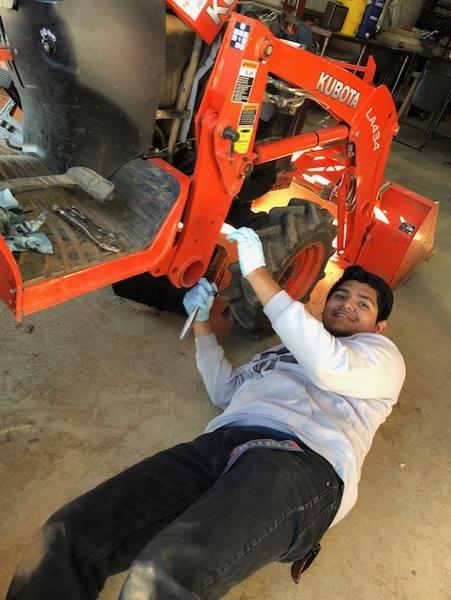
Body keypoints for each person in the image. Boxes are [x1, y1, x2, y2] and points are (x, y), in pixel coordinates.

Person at [7, 227, 405, 600]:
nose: (347, 304)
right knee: (70, 532)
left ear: (379, 325)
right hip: (220, 445)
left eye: (362, 303)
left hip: (303, 464)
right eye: (341, 295)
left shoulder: (381, 357)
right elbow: (224, 391)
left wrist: (257, 272)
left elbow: (327, 366)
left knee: (162, 575)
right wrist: (200, 322)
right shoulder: (279, 354)